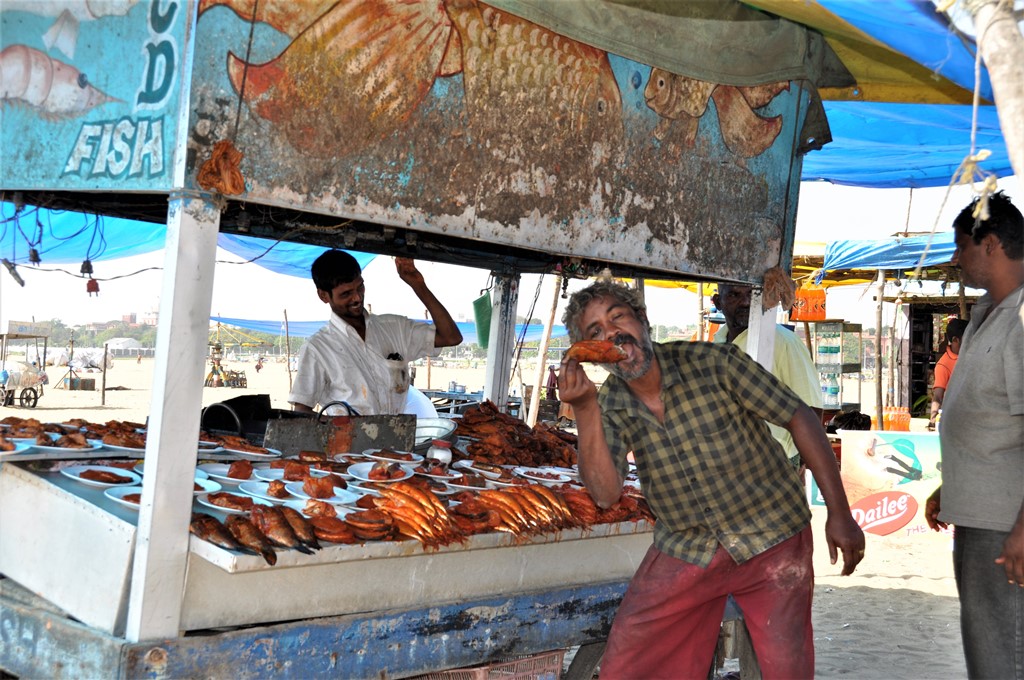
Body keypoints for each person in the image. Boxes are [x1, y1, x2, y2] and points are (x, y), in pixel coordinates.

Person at [558, 280, 864, 679]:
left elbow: (798, 416)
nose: (610, 333)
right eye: (594, 332)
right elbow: (605, 492)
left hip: (771, 535)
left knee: (784, 667)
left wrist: (839, 513)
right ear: (590, 354)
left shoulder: (714, 362)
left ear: (643, 321)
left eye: (618, 317)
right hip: (687, 545)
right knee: (629, 661)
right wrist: (584, 409)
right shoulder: (611, 402)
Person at [924, 191, 1024, 679]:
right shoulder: (990, 314)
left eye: (961, 245)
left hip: (1008, 527)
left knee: (1005, 653)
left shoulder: (1022, 320)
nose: (955, 258)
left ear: (990, 245)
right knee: (989, 651)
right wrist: (954, 483)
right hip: (985, 518)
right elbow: (993, 421)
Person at [288, 251, 462, 415]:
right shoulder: (317, 348)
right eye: (346, 294)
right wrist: (342, 425)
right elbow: (301, 410)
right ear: (323, 296)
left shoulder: (394, 328)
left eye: (360, 287)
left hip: (395, 442)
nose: (357, 298)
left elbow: (451, 337)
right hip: (347, 444)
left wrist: (417, 284)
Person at [712, 281, 823, 466]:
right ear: (718, 302)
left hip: (775, 462)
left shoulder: (783, 341)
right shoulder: (718, 343)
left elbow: (812, 409)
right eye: (734, 295)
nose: (746, 302)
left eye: (753, 295)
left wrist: (800, 465)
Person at [927, 318, 968, 431]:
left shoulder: (973, 356)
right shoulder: (943, 365)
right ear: (955, 340)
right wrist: (933, 421)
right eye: (968, 337)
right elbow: (938, 397)